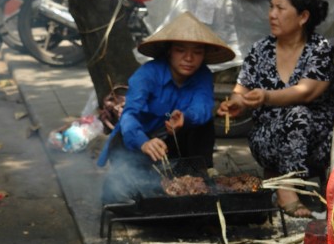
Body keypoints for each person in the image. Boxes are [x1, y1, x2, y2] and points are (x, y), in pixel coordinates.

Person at [217, 0, 334, 218]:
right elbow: (241, 89)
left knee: (299, 114)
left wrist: (266, 96)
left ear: (303, 17)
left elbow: (305, 91)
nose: (272, 15)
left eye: (280, 9)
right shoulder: (261, 49)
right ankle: (283, 183)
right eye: (271, 7)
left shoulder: (318, 49)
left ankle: (285, 187)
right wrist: (236, 103)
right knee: (293, 118)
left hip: (316, 142)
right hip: (268, 139)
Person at [98, 11, 235, 203]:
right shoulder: (147, 74)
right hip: (136, 140)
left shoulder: (203, 75)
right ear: (169, 51)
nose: (189, 58)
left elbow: (203, 107)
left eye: (197, 52)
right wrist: (144, 142)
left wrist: (185, 118)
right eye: (181, 50)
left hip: (171, 139)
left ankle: (201, 173)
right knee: (133, 191)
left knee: (204, 125)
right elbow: (129, 115)